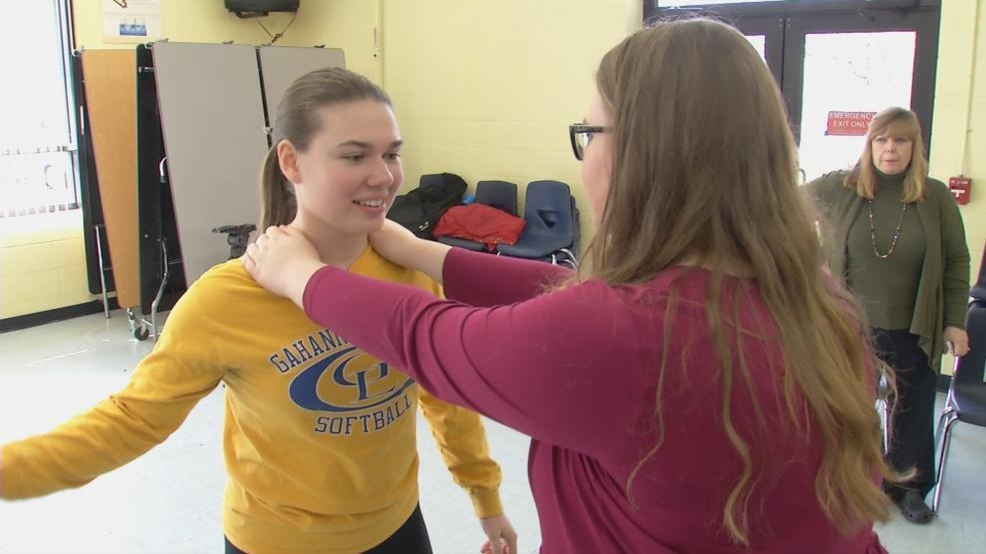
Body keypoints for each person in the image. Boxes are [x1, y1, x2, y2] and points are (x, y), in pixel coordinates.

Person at [242, 17, 899, 553]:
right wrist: (429, 254)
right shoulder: (808, 292)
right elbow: (574, 293)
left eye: (592, 133)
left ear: (645, 151)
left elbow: (429, 337)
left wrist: (302, 275)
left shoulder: (619, 338)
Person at [0, 67, 517, 554]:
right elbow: (131, 420)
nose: (383, 177)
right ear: (291, 162)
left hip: (397, 526)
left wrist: (485, 496)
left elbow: (445, 396)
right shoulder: (226, 299)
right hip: (275, 539)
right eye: (355, 156)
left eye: (391, 154)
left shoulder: (409, 268)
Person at [805, 106, 971, 524]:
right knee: (851, 405)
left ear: (914, 147)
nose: (889, 149)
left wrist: (954, 321)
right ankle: (855, 481)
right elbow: (785, 202)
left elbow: (955, 262)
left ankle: (908, 487)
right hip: (850, 324)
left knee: (911, 407)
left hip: (913, 325)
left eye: (899, 140)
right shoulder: (843, 188)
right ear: (869, 145)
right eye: (880, 140)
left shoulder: (936, 200)